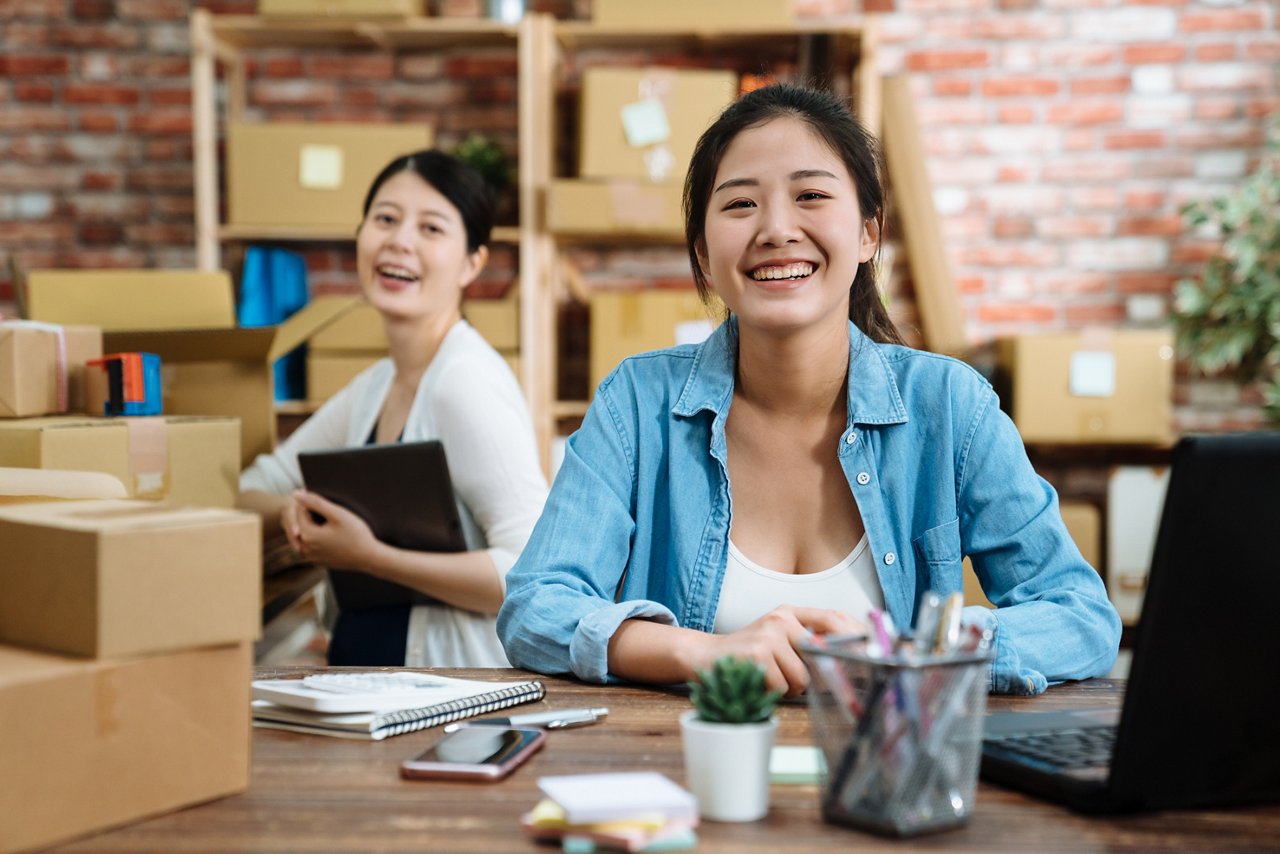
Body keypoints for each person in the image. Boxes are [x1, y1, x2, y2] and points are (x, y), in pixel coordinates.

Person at [497, 84, 1121, 696]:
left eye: (812, 195)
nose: (775, 229)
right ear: (705, 256)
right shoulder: (636, 402)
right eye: (740, 204)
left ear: (869, 233)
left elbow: (1080, 616)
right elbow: (535, 605)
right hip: (692, 768)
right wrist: (696, 651)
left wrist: (907, 655)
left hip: (889, 775)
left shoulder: (952, 407)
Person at [239, 149, 548, 667]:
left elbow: (531, 577)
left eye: (431, 228)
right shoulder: (376, 386)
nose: (399, 241)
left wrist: (369, 557)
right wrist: (289, 510)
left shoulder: (464, 382)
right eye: (385, 219)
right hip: (366, 687)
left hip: (452, 697)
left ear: (472, 262)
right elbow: (251, 488)